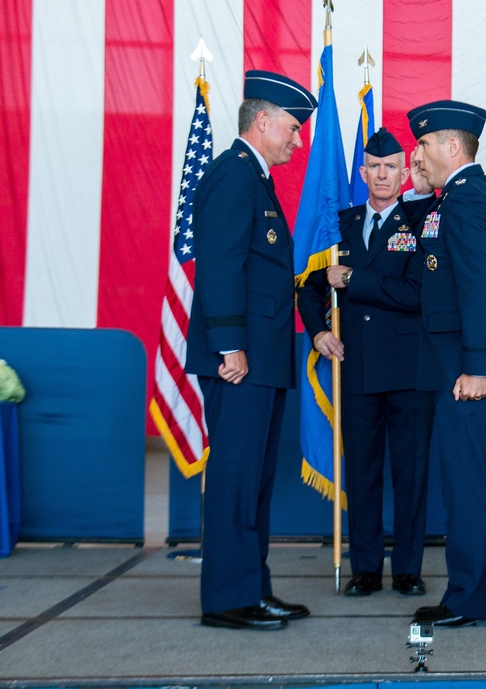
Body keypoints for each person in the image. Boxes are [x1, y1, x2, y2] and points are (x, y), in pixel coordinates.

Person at [186, 69, 317, 631]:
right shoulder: (232, 177)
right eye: (291, 128)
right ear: (261, 122)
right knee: (236, 478)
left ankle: (251, 588)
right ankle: (227, 599)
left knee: (254, 482)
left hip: (261, 359)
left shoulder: (254, 178)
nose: (297, 139)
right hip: (238, 360)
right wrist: (231, 346)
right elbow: (219, 267)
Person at [296, 128, 436, 598]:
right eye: (373, 166)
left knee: (411, 474)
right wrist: (317, 331)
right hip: (353, 369)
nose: (381, 174)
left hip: (408, 371)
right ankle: (367, 569)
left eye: (391, 166)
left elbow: (416, 294)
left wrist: (354, 278)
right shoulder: (340, 224)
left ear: (405, 172)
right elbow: (309, 286)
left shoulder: (422, 223)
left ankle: (409, 569)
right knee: (363, 471)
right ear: (363, 172)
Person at [405, 100, 486, 628]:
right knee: (460, 481)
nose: (418, 153)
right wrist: (417, 184)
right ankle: (465, 593)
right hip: (453, 364)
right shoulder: (453, 197)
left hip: (466, 369)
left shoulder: (468, 199)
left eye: (425, 145)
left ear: (453, 146)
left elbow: (478, 289)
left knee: (469, 483)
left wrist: (477, 367)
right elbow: (435, 255)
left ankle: (472, 601)